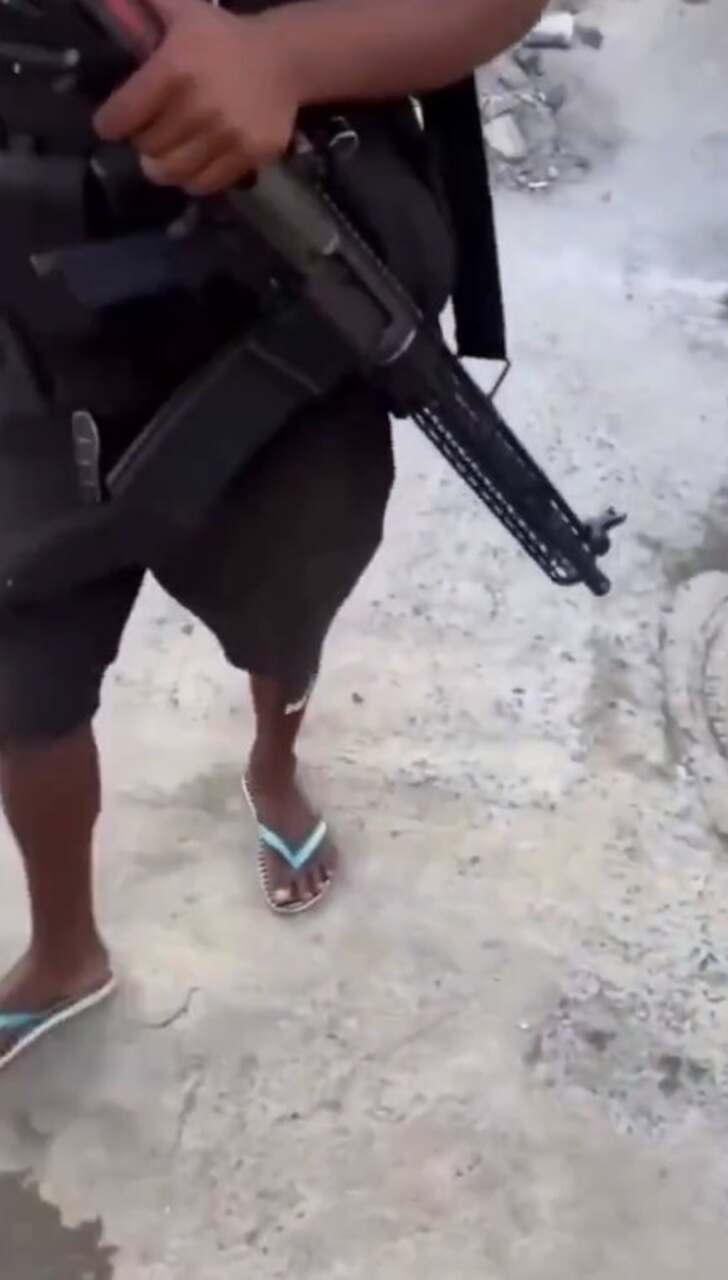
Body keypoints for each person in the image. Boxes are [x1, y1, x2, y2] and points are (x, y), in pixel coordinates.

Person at [0, 0, 547, 1070]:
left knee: (284, 615)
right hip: (20, 336)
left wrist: (285, 55)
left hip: (275, 302)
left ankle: (273, 768)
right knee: (23, 696)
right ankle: (65, 952)